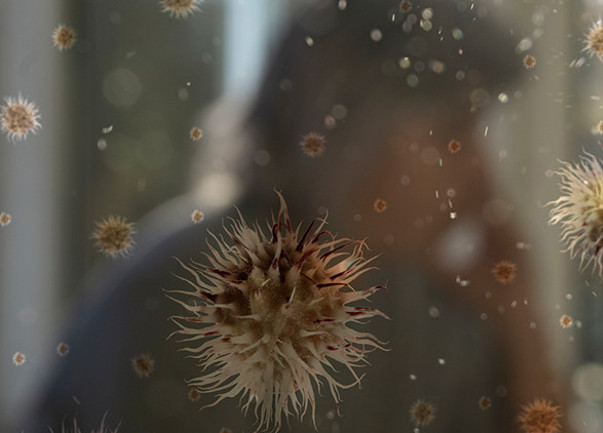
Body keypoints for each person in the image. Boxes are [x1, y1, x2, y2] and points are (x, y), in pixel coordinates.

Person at [21, 1, 567, 432]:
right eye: (452, 131)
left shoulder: (425, 306)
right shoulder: (194, 302)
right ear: (342, 126)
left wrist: (523, 331)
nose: (480, 178)